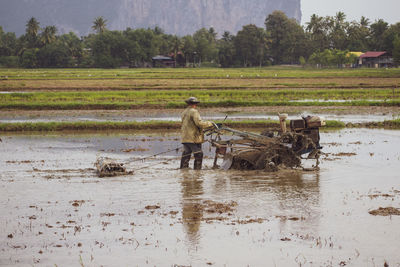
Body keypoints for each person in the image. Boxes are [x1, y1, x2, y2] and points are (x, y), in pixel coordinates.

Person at [180, 97, 214, 170]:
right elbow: (199, 123)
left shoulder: (184, 112)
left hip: (185, 137)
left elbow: (190, 124)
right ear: (195, 104)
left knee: (186, 153)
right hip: (193, 137)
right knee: (198, 153)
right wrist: (210, 124)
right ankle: (197, 172)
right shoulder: (194, 111)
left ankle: (183, 170)